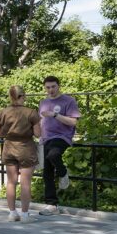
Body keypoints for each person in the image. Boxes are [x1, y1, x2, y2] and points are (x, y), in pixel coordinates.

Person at [0, 86, 42, 223]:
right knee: (25, 183)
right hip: (26, 148)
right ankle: (25, 215)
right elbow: (38, 134)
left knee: (11, 182)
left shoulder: (2, 112)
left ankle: (12, 213)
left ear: (10, 96)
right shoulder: (31, 112)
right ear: (23, 96)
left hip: (8, 148)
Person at [38, 76, 80, 216]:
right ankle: (52, 205)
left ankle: (63, 172)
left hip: (62, 137)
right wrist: (39, 136)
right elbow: (41, 122)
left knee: (53, 155)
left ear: (58, 86)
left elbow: (73, 122)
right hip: (46, 138)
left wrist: (55, 115)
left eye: (53, 86)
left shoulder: (69, 101)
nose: (50, 90)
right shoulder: (43, 102)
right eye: (48, 87)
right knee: (47, 172)